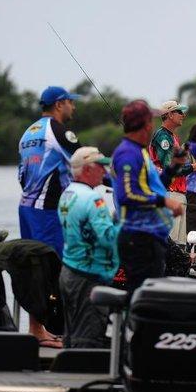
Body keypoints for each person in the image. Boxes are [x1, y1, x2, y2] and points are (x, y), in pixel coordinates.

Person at [18, 85, 81, 347]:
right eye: (70, 103)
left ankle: (39, 328)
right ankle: (38, 330)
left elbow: (21, 175)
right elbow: (83, 160)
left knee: (37, 268)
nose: (73, 107)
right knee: (49, 269)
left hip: (27, 207)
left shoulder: (28, 132)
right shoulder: (58, 131)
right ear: (59, 104)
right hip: (47, 211)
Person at [111, 100, 187, 293]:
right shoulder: (128, 153)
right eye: (149, 121)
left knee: (179, 262)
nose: (152, 125)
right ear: (143, 125)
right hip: (137, 236)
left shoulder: (140, 152)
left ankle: (165, 314)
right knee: (145, 290)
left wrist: (173, 167)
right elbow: (128, 196)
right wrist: (164, 201)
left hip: (151, 234)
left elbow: (157, 186)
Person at [58, 147, 119, 348]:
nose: (104, 171)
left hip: (69, 271)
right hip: (89, 276)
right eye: (100, 166)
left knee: (71, 334)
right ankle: (82, 376)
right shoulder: (93, 199)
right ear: (86, 169)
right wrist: (126, 224)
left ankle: (65, 374)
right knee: (89, 338)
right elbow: (108, 238)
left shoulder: (67, 193)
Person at [149, 100, 196, 245]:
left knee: (180, 243)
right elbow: (170, 168)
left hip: (179, 193)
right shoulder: (163, 137)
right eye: (180, 112)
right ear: (170, 114)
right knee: (172, 241)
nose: (183, 115)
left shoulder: (173, 137)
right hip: (169, 193)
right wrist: (195, 167)